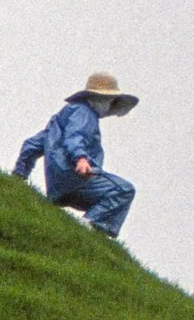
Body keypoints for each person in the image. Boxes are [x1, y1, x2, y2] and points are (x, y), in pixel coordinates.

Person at [14, 72, 138, 237]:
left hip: (57, 186)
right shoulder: (85, 114)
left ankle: (91, 228)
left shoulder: (62, 118)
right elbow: (75, 137)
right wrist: (80, 159)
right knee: (124, 190)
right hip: (77, 178)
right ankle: (91, 225)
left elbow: (31, 145)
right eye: (109, 101)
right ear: (101, 99)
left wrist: (19, 175)